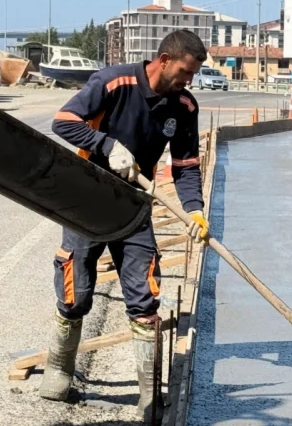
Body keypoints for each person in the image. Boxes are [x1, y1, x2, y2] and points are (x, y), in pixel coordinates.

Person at [42, 30, 210, 418]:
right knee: (75, 290)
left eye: (194, 75)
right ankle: (59, 367)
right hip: (87, 196)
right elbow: (63, 121)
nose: (189, 81)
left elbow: (185, 166)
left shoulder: (183, 105)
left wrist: (195, 210)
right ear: (165, 59)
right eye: (185, 71)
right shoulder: (113, 82)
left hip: (133, 206)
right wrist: (107, 145)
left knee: (145, 297)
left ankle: (150, 396)